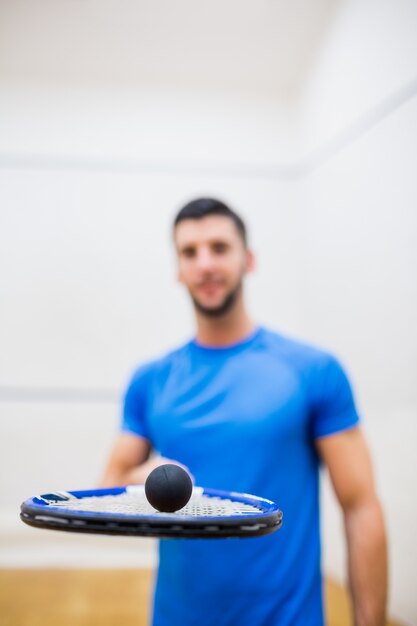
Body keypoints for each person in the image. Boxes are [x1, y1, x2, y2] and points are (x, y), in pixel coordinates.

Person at [101, 198, 387, 626]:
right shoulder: (151, 379)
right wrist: (145, 480)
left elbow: (361, 506)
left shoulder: (313, 371)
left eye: (219, 247)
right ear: (178, 269)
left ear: (248, 260)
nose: (205, 264)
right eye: (189, 252)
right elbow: (109, 484)